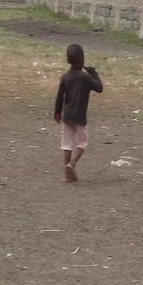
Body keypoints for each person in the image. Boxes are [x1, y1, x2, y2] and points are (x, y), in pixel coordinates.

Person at [53, 43, 102, 182]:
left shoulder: (65, 77)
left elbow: (59, 96)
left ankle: (67, 175)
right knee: (83, 142)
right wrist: (94, 73)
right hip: (79, 117)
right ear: (83, 59)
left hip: (67, 116)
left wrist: (57, 112)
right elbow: (99, 88)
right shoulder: (85, 77)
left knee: (67, 144)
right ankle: (72, 164)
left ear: (68, 59)